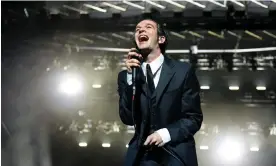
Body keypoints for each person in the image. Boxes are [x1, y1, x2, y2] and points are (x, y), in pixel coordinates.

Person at [117, 17, 203, 166]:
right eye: (137, 29)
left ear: (161, 39)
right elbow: (127, 118)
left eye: (148, 27)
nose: (141, 30)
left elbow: (193, 118)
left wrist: (164, 134)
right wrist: (131, 79)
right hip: (141, 157)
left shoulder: (182, 71)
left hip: (175, 154)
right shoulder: (126, 76)